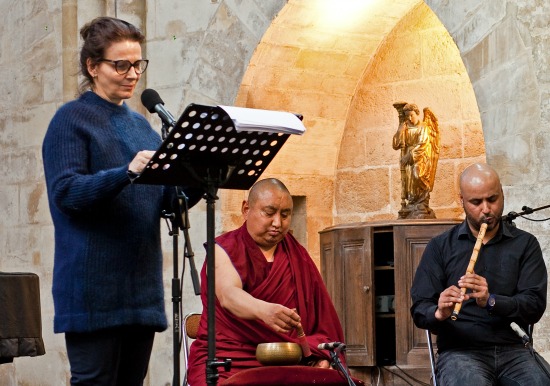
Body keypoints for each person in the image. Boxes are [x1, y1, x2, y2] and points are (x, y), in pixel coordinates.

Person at [42, 17, 201, 385]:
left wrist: (200, 179)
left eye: (138, 64)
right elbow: (66, 194)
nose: (132, 74)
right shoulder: (70, 120)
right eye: (121, 65)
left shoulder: (141, 126)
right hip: (92, 292)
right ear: (92, 67)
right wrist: (125, 172)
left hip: (139, 290)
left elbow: (165, 202)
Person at [187, 178, 347, 385]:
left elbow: (322, 324)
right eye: (269, 213)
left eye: (285, 215)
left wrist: (321, 356)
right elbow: (228, 294)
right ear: (246, 209)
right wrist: (265, 311)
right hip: (229, 360)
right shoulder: (224, 248)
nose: (278, 223)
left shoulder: (297, 256)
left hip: (289, 361)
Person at [411, 163, 548, 385]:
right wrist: (439, 312)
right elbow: (420, 308)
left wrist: (492, 300)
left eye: (492, 199)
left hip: (513, 349)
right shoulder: (440, 247)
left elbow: (534, 306)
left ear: (502, 193)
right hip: (459, 352)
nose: (486, 209)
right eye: (476, 202)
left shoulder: (525, 244)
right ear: (462, 201)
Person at [392, 103, 439, 219]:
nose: (409, 118)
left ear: (417, 113)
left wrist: (409, 155)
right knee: (409, 183)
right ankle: (413, 205)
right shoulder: (405, 127)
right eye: (407, 116)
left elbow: (423, 144)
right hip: (408, 160)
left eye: (411, 115)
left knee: (418, 175)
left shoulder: (423, 127)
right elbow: (395, 145)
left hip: (420, 157)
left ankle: (423, 202)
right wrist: (399, 130)